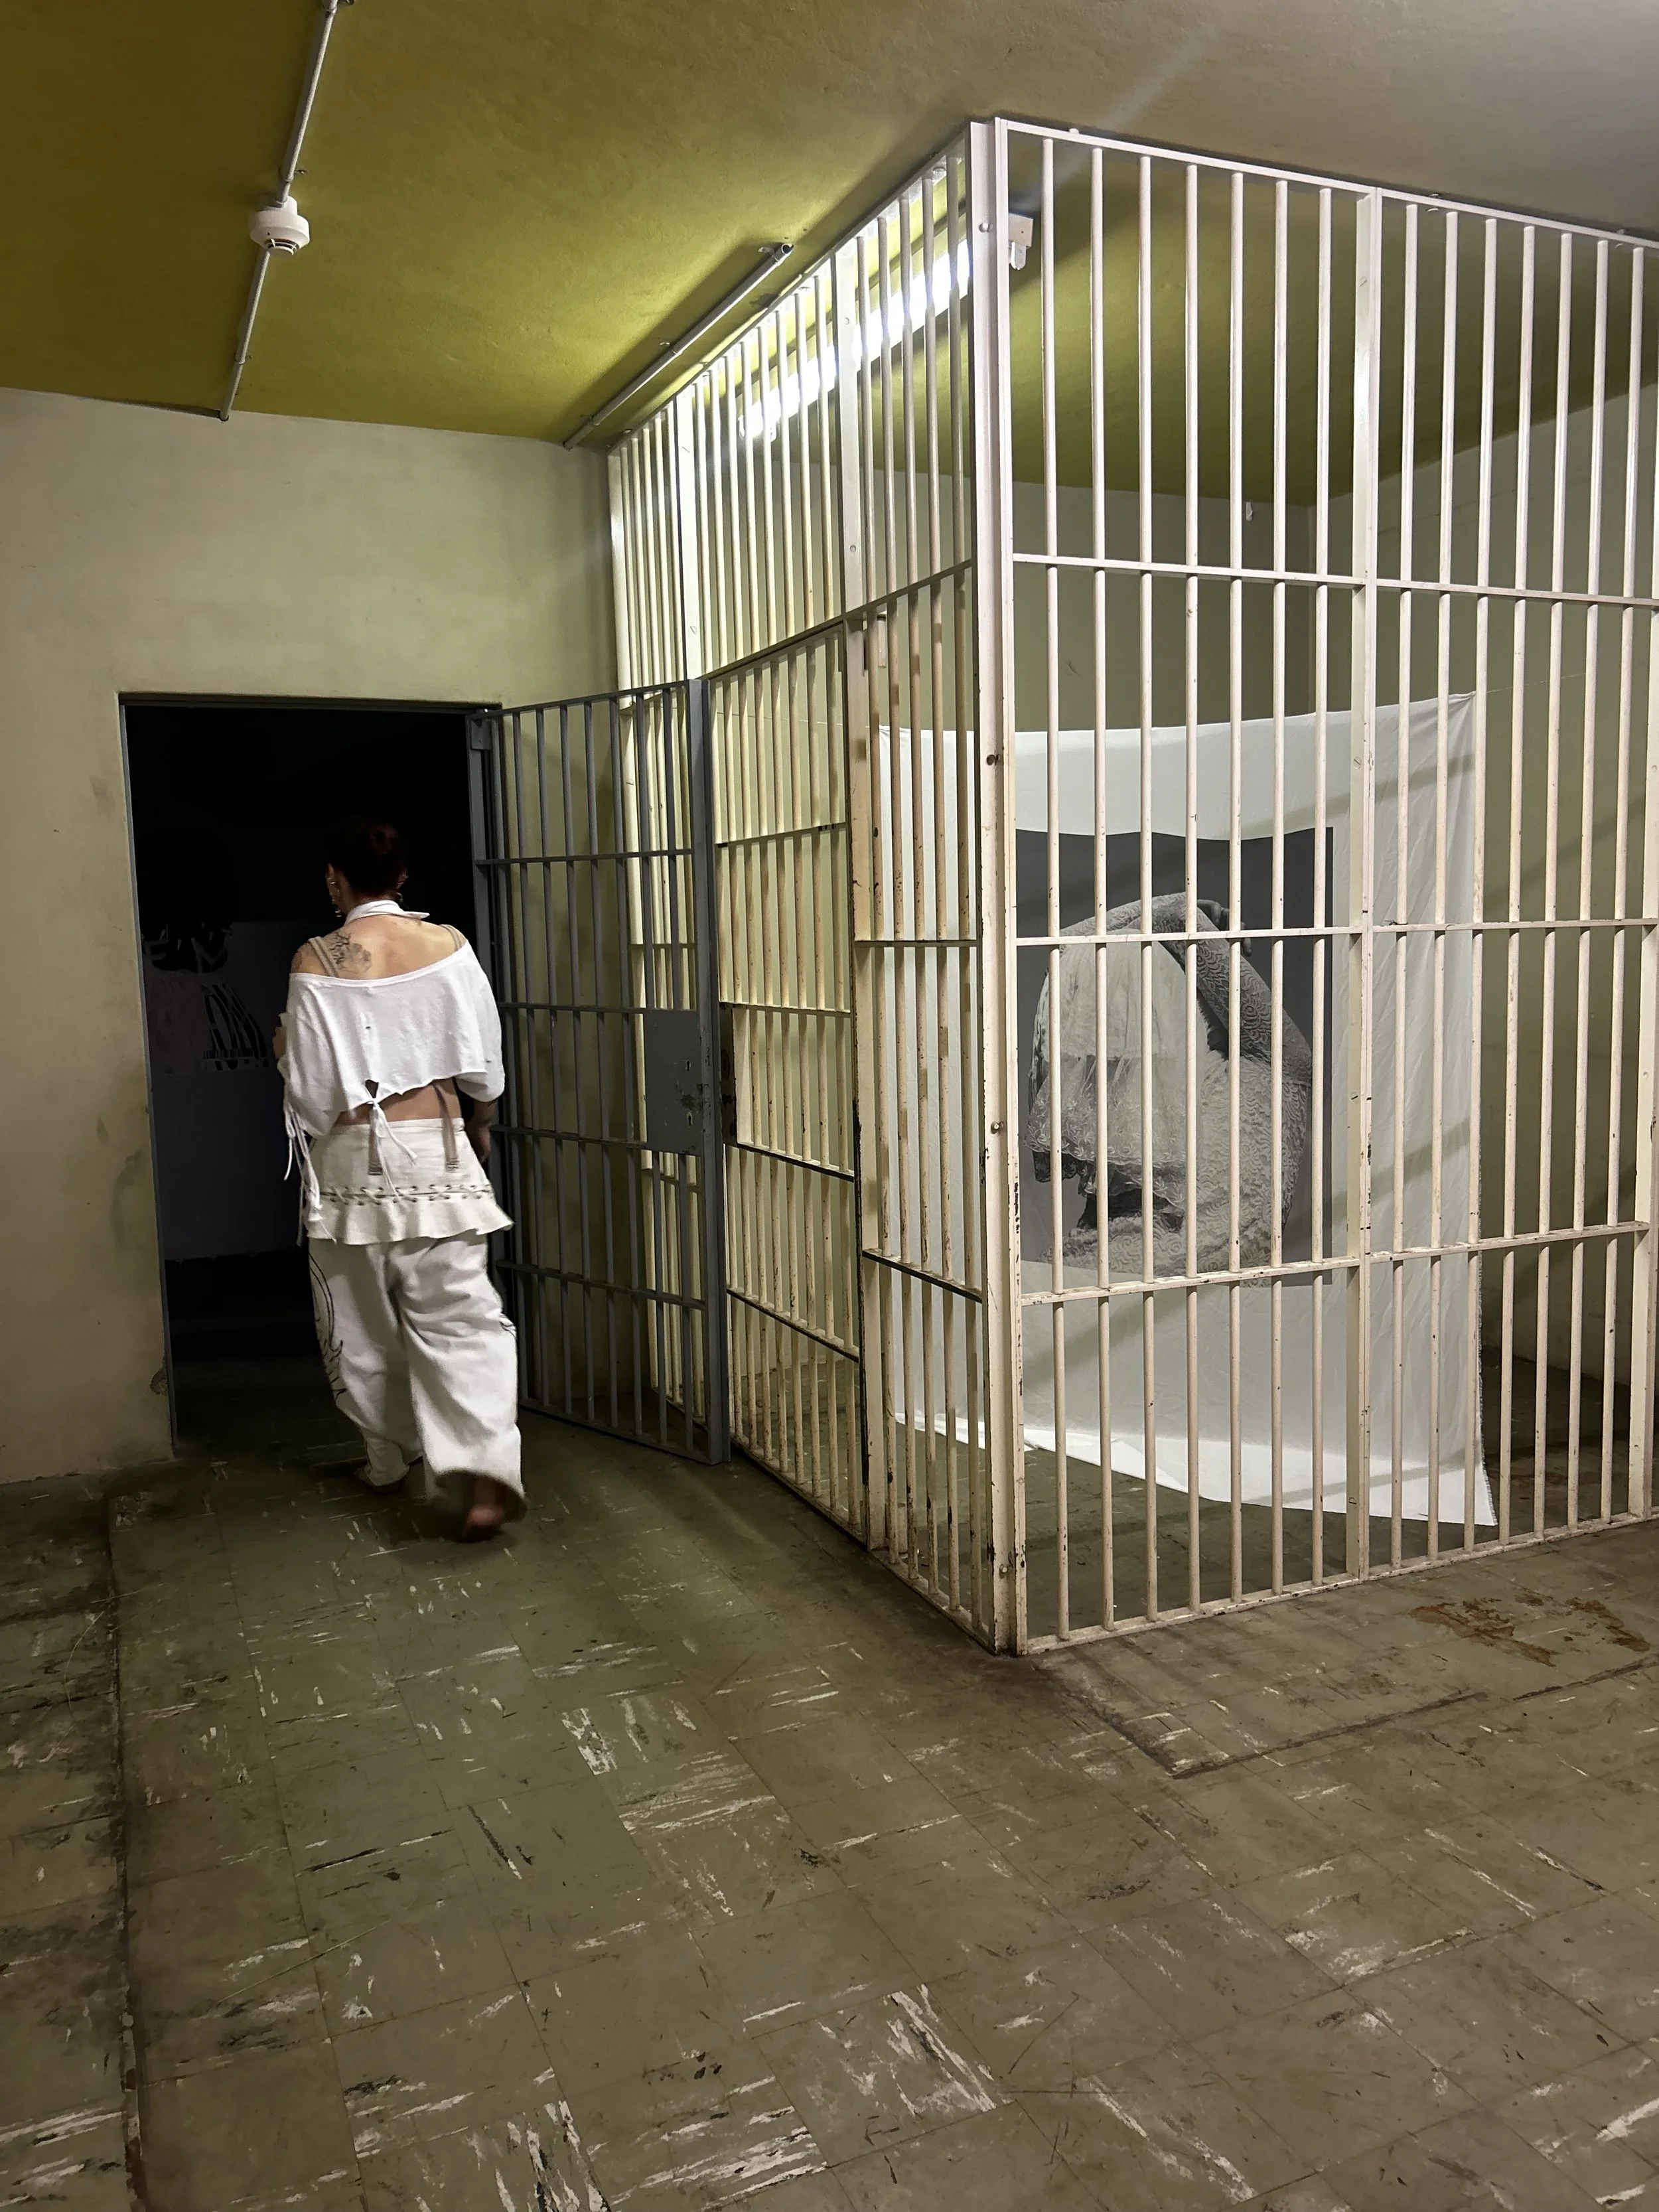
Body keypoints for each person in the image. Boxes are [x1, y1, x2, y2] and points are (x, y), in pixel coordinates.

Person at [275, 820, 524, 1538]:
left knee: (357, 1326)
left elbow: (313, 1097)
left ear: (334, 878)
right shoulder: (449, 946)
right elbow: (484, 1065)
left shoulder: (316, 959)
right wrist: (481, 1123)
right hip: (438, 1155)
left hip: (351, 1164)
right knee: (464, 1321)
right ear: (403, 877)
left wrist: (282, 1051)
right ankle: (483, 1479)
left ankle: (388, 1459)